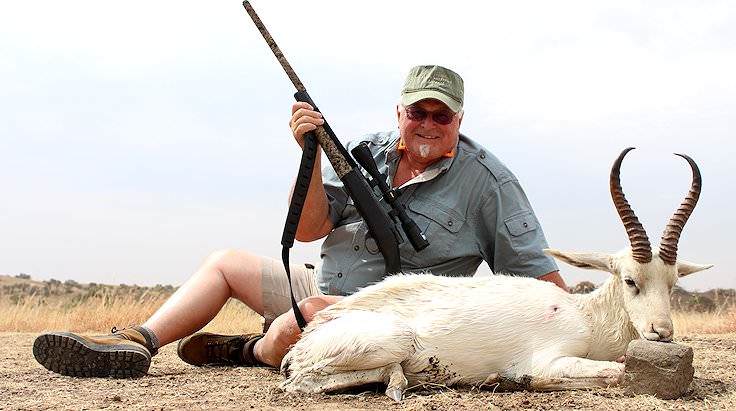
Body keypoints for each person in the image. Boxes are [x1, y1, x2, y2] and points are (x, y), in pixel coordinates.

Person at [32, 65, 567, 378]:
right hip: (326, 283)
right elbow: (310, 231)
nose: (428, 124)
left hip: (392, 317)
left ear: (459, 120)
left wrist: (568, 332)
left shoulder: (490, 183)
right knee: (226, 264)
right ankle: (137, 343)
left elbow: (539, 280)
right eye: (417, 112)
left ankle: (245, 350)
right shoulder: (359, 152)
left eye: (441, 116)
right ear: (399, 112)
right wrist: (309, 153)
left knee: (307, 315)